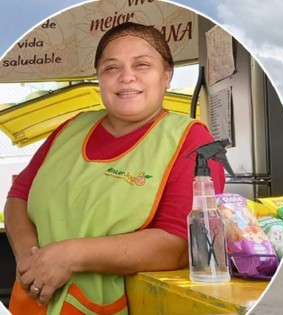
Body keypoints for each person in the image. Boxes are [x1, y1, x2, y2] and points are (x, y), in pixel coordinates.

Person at [4, 22, 225, 315]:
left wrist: (70, 256)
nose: (126, 77)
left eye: (142, 65)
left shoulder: (193, 141)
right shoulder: (70, 129)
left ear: (166, 76)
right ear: (99, 78)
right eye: (111, 68)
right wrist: (31, 261)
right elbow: (18, 196)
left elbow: (180, 243)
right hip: (31, 302)